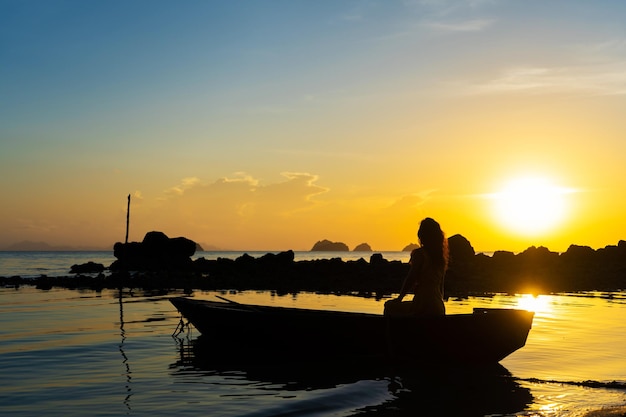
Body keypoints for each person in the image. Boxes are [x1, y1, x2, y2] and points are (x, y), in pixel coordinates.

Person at [384, 217, 449, 317]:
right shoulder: (440, 258)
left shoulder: (420, 254)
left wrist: (399, 298)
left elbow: (411, 278)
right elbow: (441, 288)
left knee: (389, 306)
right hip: (438, 306)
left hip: (423, 305)